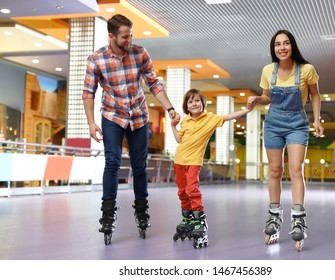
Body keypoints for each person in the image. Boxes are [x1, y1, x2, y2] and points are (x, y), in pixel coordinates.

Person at [82, 14, 179, 245]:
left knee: (139, 166)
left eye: (131, 35)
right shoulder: (96, 59)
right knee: (113, 161)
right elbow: (88, 92)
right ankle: (107, 213)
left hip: (138, 115)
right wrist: (91, 122)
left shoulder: (140, 53)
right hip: (112, 115)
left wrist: (170, 108)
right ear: (111, 36)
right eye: (125, 36)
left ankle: (142, 209)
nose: (130, 40)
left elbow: (154, 83)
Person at [248, 30, 324, 252]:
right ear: (274, 48)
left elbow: (315, 95)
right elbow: (267, 97)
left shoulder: (307, 70)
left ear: (292, 46)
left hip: (297, 124)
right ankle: (274, 217)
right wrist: (256, 99)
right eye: (277, 44)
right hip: (273, 123)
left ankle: (298, 219)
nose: (282, 48)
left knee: (296, 169)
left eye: (286, 43)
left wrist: (317, 119)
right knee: (274, 170)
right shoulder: (267, 71)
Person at [171, 89, 254, 249]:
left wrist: (247, 110)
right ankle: (187, 219)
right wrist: (173, 126)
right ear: (186, 106)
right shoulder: (185, 121)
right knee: (182, 191)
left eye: (197, 100)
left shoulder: (210, 118)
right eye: (190, 101)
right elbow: (179, 140)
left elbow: (229, 116)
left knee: (192, 190)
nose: (194, 104)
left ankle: (199, 221)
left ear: (203, 103)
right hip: (179, 160)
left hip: (194, 161)